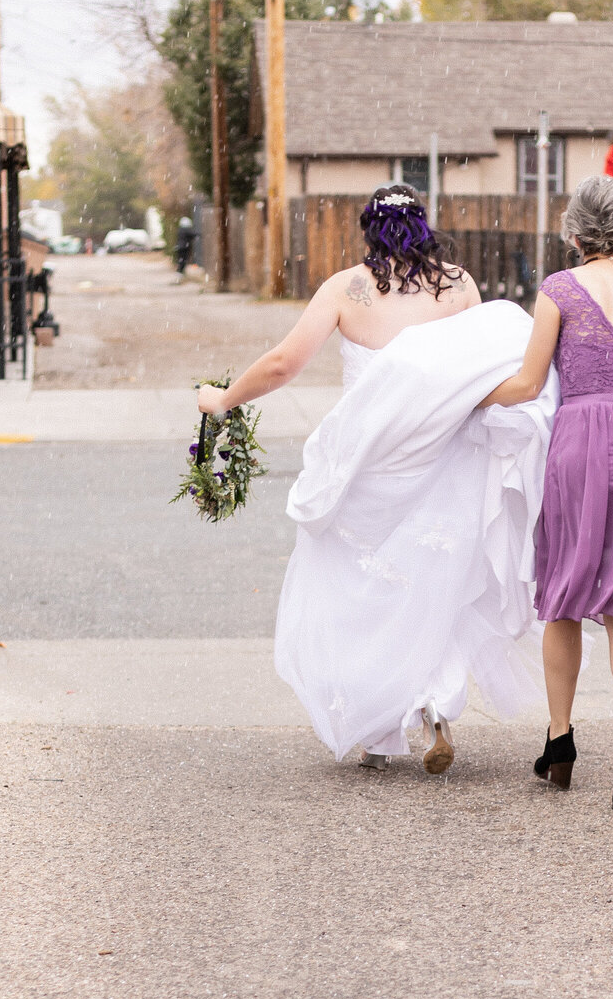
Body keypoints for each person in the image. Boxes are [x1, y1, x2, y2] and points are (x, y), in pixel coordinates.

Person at [196, 187, 556, 775]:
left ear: (370, 229)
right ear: (423, 226)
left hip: (370, 464)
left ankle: (380, 728)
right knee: (433, 580)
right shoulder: (459, 285)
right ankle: (435, 702)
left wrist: (225, 398)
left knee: (363, 587)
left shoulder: (346, 289)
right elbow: (479, 368)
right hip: (442, 454)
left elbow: (286, 363)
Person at [481, 175, 613, 812]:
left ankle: (560, 742)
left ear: (574, 232)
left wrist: (469, 397)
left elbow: (529, 381)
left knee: (563, 596)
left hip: (583, 441)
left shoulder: (560, 290)